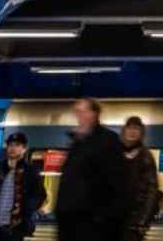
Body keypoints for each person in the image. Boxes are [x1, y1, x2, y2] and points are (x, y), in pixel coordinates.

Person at [56, 98, 131, 241]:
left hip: (96, 228)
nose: (79, 116)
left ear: (94, 114)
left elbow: (119, 186)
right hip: (71, 227)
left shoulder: (108, 141)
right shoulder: (76, 144)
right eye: (77, 112)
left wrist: (107, 222)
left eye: (83, 111)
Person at [0, 132, 47, 241]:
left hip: (15, 229)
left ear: (24, 149)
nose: (13, 148)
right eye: (10, 145)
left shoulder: (30, 172)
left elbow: (40, 195)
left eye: (17, 145)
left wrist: (26, 207)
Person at [121, 117, 162, 241]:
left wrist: (144, 221)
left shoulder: (146, 156)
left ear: (141, 133)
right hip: (115, 218)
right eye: (130, 128)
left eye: (136, 128)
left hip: (135, 221)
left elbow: (152, 190)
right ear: (124, 131)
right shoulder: (115, 153)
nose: (132, 131)